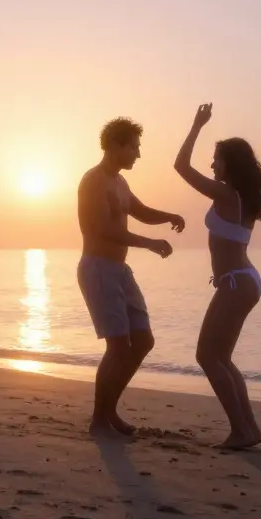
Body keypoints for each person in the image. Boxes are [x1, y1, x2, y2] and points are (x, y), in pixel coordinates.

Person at [78, 117, 185, 439]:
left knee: (142, 341)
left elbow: (139, 211)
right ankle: (99, 419)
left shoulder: (120, 183)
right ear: (115, 145)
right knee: (117, 346)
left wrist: (169, 216)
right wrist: (149, 243)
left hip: (120, 271)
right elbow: (103, 229)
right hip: (98, 269)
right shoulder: (93, 181)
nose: (138, 154)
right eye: (134, 147)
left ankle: (110, 409)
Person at [174, 103, 261, 449]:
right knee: (221, 358)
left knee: (207, 356)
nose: (212, 165)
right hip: (243, 280)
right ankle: (249, 429)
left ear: (230, 163)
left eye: (217, 159)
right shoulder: (244, 195)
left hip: (236, 282)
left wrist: (197, 125)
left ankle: (242, 430)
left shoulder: (227, 194)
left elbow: (180, 166)